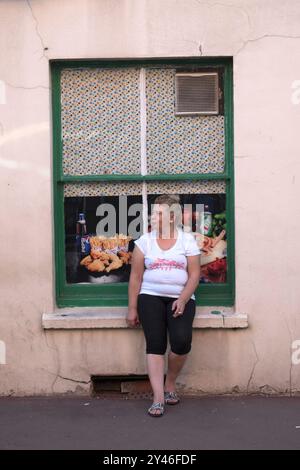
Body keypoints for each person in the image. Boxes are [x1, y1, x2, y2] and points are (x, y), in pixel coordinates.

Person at [126, 194, 201, 417]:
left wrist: (183, 299)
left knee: (181, 341)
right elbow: (135, 278)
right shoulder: (144, 241)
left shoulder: (187, 240)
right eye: (153, 213)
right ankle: (159, 397)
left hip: (181, 297)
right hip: (150, 296)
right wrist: (132, 308)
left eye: (158, 213)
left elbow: (195, 273)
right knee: (155, 344)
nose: (153, 217)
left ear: (171, 217)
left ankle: (171, 383)